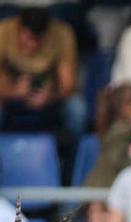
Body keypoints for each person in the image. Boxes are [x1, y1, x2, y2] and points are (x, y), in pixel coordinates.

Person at [0, 11, 82, 144]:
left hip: (49, 97)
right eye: (29, 38)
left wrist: (50, 95)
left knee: (77, 109)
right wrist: (13, 91)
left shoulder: (61, 33)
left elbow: (67, 85)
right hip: (8, 94)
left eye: (38, 39)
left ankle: (71, 161)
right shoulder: (3, 31)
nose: (33, 45)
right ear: (19, 28)